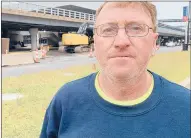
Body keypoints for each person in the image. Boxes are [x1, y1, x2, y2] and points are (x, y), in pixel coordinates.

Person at [40, 2, 190, 138]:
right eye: (108, 29)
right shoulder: (65, 100)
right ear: (95, 42)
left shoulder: (186, 106)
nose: (121, 41)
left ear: (154, 43)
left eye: (136, 28)